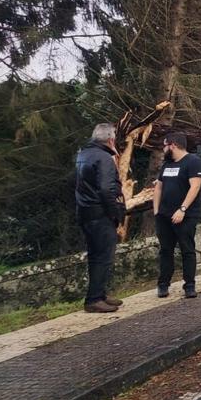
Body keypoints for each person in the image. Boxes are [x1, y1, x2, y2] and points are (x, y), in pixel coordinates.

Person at [75, 123, 126, 313]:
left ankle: (100, 294)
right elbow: (107, 189)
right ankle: (94, 298)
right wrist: (115, 212)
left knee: (95, 255)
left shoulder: (83, 154)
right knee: (104, 256)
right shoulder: (104, 157)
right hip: (100, 213)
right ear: (111, 139)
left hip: (85, 212)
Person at [152, 131, 201, 298]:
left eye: (165, 145)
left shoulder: (193, 162)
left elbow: (195, 187)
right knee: (165, 250)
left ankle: (189, 285)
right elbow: (159, 187)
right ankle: (163, 284)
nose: (164, 149)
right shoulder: (167, 165)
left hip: (185, 216)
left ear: (173, 145)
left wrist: (182, 209)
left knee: (187, 249)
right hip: (164, 215)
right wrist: (156, 211)